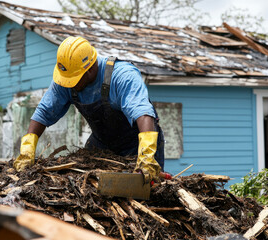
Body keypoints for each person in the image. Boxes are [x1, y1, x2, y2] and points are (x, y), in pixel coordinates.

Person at [13, 36, 167, 183]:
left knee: (144, 190)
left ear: (90, 70)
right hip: (102, 143)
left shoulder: (122, 76)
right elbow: (44, 112)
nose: (69, 84)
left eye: (74, 80)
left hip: (137, 145)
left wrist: (146, 156)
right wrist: (27, 148)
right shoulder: (67, 77)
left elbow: (143, 113)